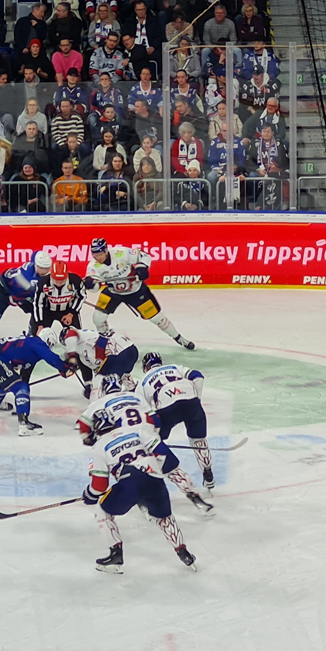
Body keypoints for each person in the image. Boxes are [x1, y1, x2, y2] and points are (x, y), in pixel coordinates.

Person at [81, 408, 198, 573]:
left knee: (102, 512)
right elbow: (166, 456)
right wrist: (154, 469)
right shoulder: (136, 431)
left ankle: (115, 555)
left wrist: (89, 495)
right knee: (164, 518)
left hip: (129, 483)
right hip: (155, 480)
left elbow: (99, 485)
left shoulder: (99, 447)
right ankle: (183, 552)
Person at [85, 237, 194, 349]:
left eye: (99, 254)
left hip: (136, 291)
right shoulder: (93, 266)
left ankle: (179, 338)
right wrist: (91, 284)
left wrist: (142, 267)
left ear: (106, 250)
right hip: (113, 293)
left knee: (157, 318)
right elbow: (95, 287)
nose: (97, 257)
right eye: (94, 254)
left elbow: (144, 256)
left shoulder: (120, 253)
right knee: (98, 318)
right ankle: (106, 342)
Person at [0, 327, 74, 435]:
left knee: (5, 382)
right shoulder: (37, 343)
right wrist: (65, 368)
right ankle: (24, 425)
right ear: (48, 341)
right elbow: (51, 357)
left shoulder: (31, 342)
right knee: (21, 387)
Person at [139, 351, 214, 490]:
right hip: (190, 403)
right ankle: (207, 472)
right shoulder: (174, 367)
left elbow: (141, 407)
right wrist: (196, 400)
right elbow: (198, 377)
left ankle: (153, 476)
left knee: (152, 444)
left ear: (145, 367)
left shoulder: (144, 380)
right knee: (198, 440)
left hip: (166, 409)